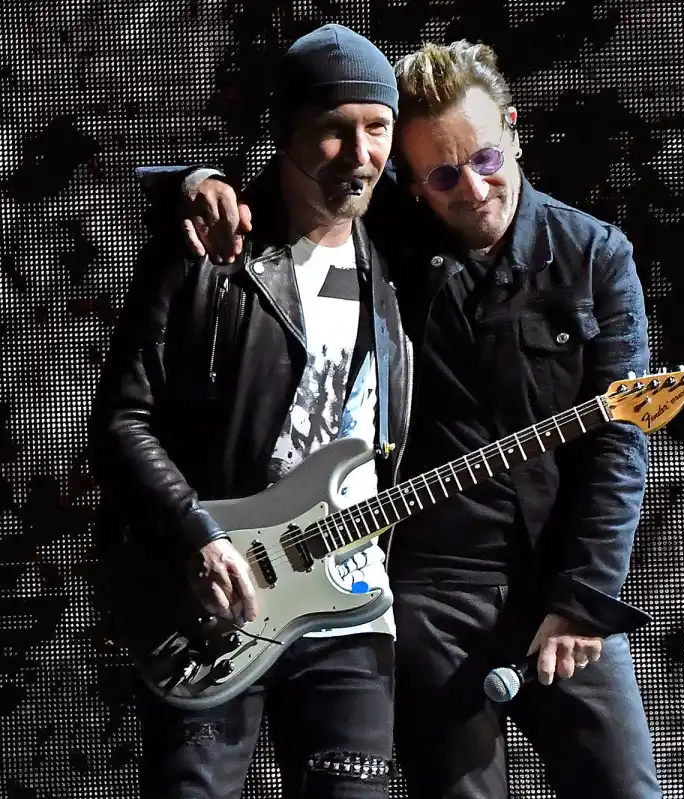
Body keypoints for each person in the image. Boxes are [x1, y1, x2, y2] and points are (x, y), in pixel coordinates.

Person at [174, 40, 662, 799]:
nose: (473, 188)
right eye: (441, 175)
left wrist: (582, 599)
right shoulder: (386, 247)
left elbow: (619, 448)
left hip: (562, 578)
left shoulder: (596, 253)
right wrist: (195, 184)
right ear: (410, 181)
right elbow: (286, 182)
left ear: (513, 130)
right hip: (430, 591)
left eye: (486, 158)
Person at [89, 24, 411, 798]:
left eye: (377, 128)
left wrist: (187, 178)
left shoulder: (399, 250)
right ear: (284, 130)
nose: (360, 152)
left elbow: (493, 196)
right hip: (217, 595)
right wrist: (196, 534)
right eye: (334, 129)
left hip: (350, 600)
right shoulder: (208, 251)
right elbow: (121, 420)